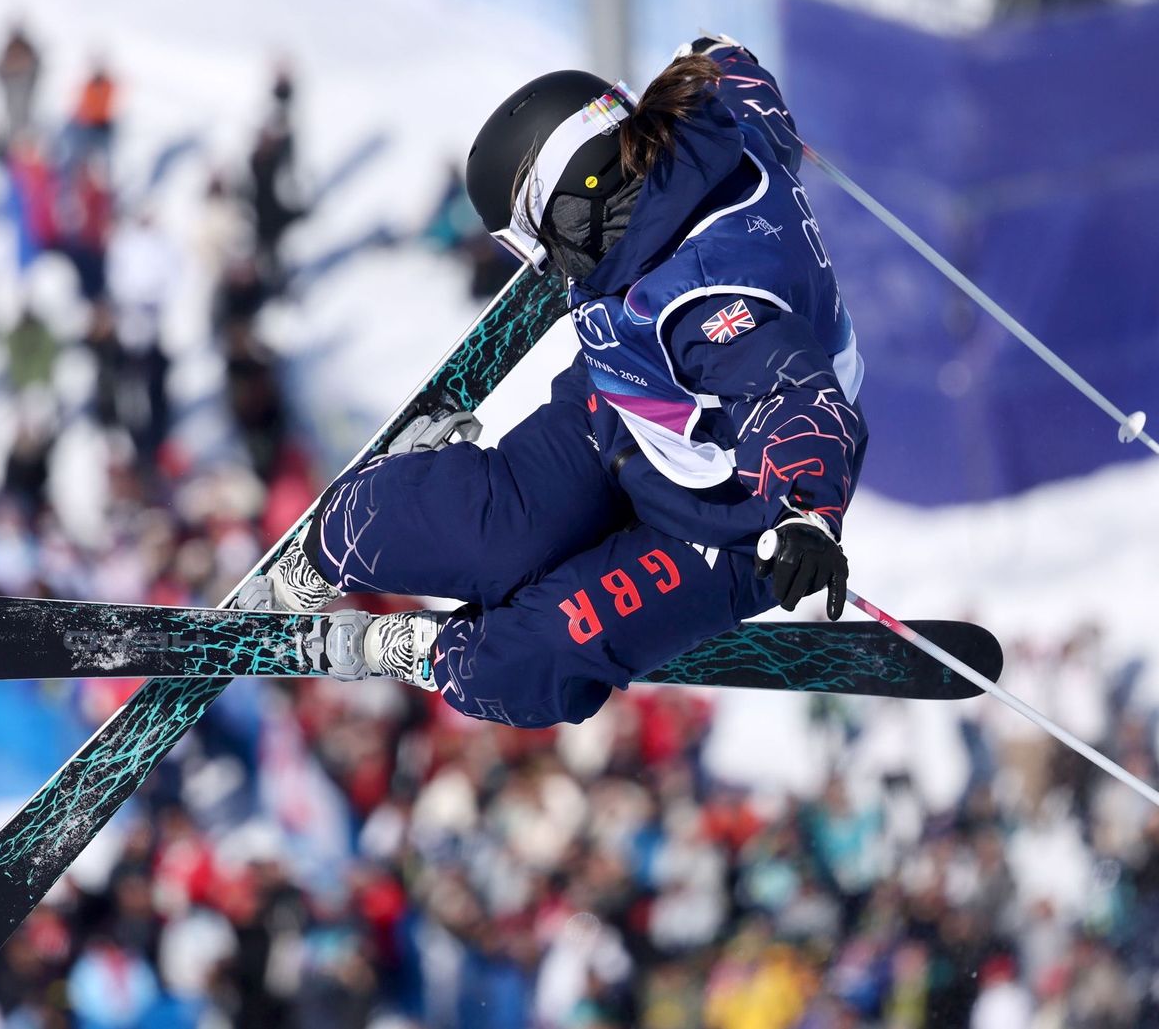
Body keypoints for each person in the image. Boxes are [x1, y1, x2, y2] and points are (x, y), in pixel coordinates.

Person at [260, 37, 866, 727]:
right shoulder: (717, 132)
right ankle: (336, 541)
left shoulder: (702, 303)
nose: (546, 261)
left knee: (539, 651)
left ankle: (434, 650)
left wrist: (805, 511)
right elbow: (740, 76)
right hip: (625, 405)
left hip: (735, 513)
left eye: (533, 237)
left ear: (572, 203)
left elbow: (794, 392)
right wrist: (714, 53)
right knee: (487, 530)